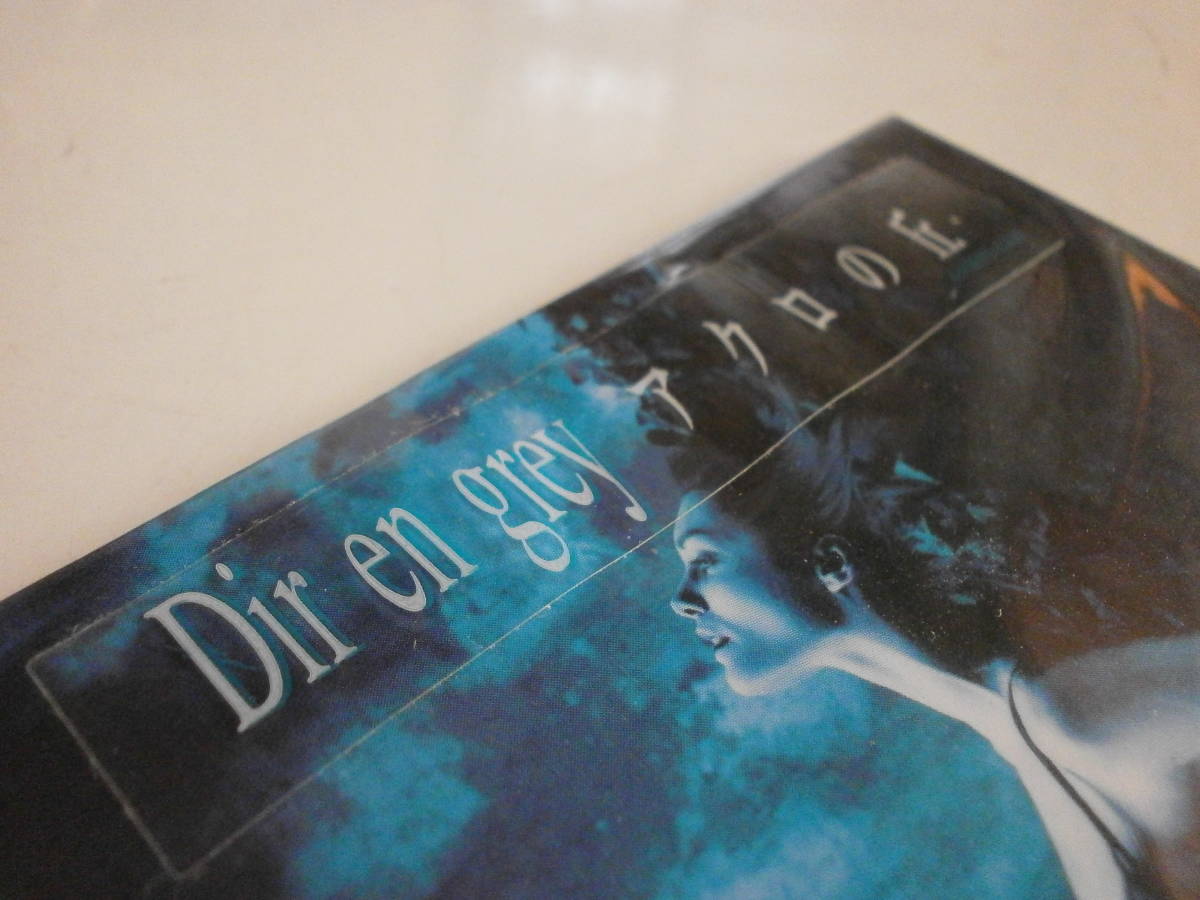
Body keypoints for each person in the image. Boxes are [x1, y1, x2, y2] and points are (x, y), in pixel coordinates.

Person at [667, 408, 1199, 900]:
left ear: (829, 562)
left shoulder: (1084, 717)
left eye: (705, 561)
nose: (681, 601)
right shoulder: (1022, 729)